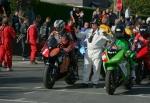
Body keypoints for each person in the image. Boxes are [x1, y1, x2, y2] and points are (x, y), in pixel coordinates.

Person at [82, 20, 112, 88]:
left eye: (94, 24)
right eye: (92, 24)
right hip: (88, 51)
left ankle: (95, 83)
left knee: (96, 67)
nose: (93, 25)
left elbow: (109, 38)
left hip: (97, 51)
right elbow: (80, 35)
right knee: (86, 67)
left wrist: (106, 35)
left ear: (97, 25)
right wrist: (76, 32)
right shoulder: (88, 31)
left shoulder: (101, 31)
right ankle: (85, 82)